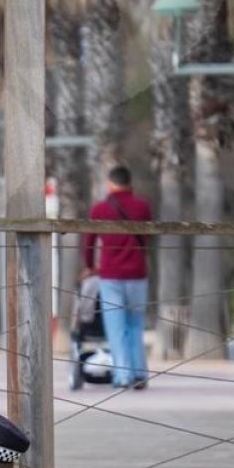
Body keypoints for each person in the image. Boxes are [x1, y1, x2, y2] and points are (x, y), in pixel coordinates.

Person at [81, 165, 153, 390]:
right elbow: (148, 237)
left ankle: (122, 377)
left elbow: (88, 241)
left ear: (110, 184)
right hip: (137, 274)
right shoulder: (143, 207)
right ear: (130, 183)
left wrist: (90, 265)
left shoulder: (100, 209)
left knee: (116, 328)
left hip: (111, 274)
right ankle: (139, 373)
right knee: (135, 325)